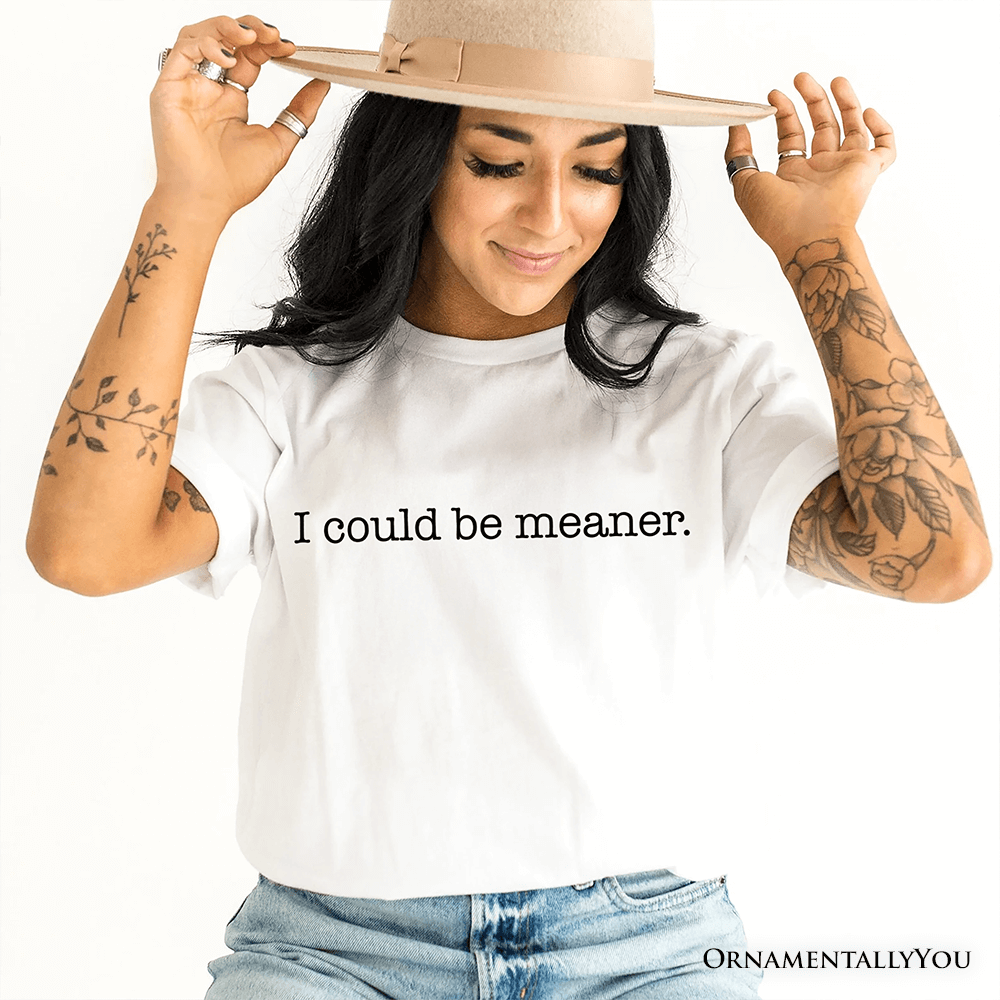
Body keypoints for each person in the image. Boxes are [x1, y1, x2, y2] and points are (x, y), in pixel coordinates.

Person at [24, 1, 991, 998]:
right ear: (414, 157)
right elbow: (84, 551)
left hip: (646, 951)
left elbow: (933, 558)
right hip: (331, 950)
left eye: (596, 167)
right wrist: (184, 206)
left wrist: (821, 247)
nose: (549, 214)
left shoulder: (705, 387)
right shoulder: (292, 390)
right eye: (497, 161)